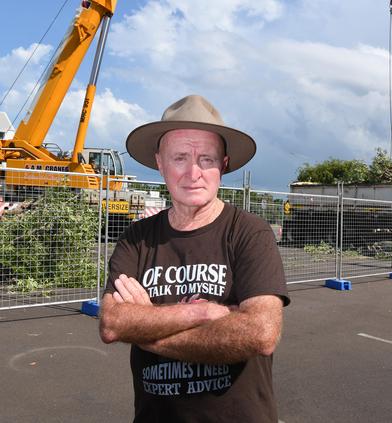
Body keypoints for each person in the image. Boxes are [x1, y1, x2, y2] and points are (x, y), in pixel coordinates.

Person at [98, 95, 290, 422]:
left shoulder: (249, 233)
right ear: (160, 162)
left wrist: (146, 328)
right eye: (180, 157)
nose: (193, 173)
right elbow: (113, 323)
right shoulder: (136, 239)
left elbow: (260, 333)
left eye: (206, 159)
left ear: (223, 165)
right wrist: (205, 312)